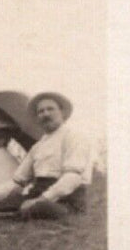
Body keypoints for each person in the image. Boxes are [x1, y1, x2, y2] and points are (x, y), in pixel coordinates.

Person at [11, 91, 92, 220]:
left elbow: (73, 178)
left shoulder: (74, 136)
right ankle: (7, 214)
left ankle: (13, 216)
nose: (46, 114)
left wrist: (40, 200)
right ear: (37, 118)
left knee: (37, 208)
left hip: (66, 200)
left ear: (62, 113)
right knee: (0, 203)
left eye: (50, 109)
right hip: (39, 194)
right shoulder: (38, 146)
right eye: (41, 111)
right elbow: (18, 180)